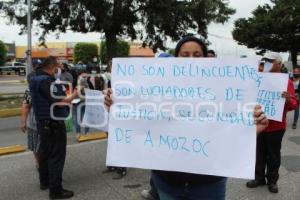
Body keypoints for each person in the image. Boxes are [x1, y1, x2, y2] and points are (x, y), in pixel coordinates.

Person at [104, 35, 269, 200]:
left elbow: (228, 136)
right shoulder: (157, 89)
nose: (191, 60)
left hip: (209, 185)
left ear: (207, 59)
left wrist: (252, 131)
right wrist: (117, 104)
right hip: (168, 183)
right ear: (175, 59)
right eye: (185, 55)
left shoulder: (224, 93)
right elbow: (139, 123)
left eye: (197, 55)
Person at [246, 52, 299, 193]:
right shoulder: (257, 79)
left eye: (271, 61)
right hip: (258, 124)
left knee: (273, 155)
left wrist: (287, 99)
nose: (267, 63)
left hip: (276, 126)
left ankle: (272, 181)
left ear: (279, 64)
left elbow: (294, 104)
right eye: (266, 61)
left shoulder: (286, 82)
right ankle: (258, 178)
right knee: (258, 153)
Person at [30, 56, 78, 199]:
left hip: (43, 123)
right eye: (57, 66)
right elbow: (58, 101)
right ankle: (56, 191)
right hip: (53, 124)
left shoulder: (35, 79)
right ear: (51, 67)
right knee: (56, 157)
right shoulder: (46, 81)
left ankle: (45, 182)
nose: (59, 69)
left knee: (45, 154)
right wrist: (74, 95)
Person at [20, 60, 41, 169]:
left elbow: (25, 105)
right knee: (35, 146)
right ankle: (39, 163)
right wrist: (23, 122)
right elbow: (26, 106)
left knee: (36, 146)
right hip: (35, 124)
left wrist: (23, 122)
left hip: (39, 124)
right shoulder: (30, 91)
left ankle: (40, 163)